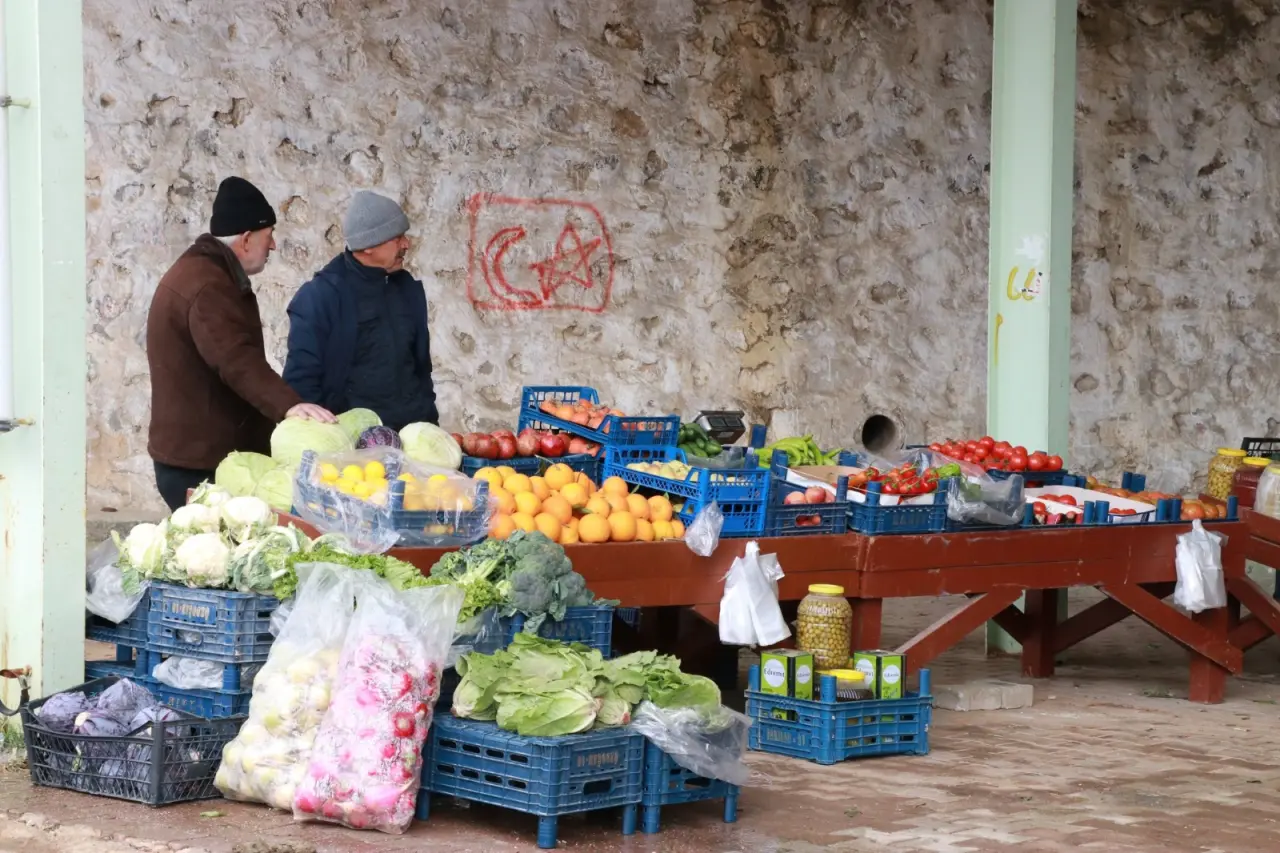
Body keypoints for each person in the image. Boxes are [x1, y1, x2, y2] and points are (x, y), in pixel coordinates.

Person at [147, 176, 335, 510]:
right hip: (199, 464)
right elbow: (235, 358)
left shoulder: (203, 273)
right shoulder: (208, 285)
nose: (273, 245)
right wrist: (288, 406)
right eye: (269, 235)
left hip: (195, 455)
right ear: (246, 239)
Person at [283, 191, 438, 431]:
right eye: (398, 238)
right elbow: (301, 384)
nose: (406, 244)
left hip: (413, 436)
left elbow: (421, 371)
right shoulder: (320, 297)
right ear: (368, 247)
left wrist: (430, 424)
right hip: (354, 443)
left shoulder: (406, 287)